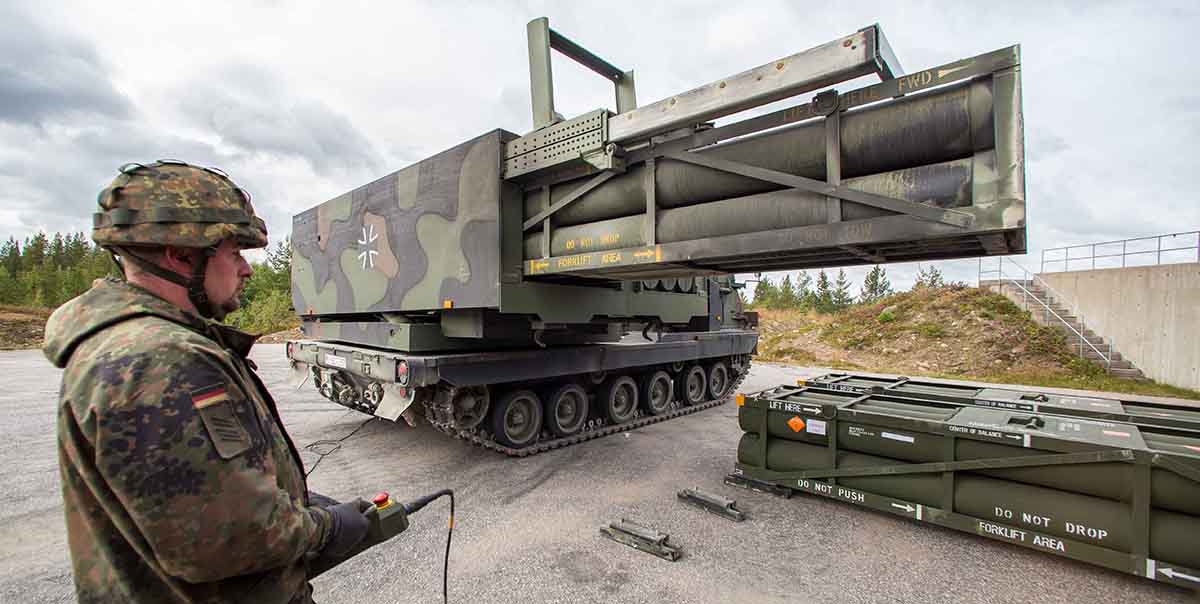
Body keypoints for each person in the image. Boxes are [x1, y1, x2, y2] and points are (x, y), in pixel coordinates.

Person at [44, 160, 370, 603]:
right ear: (182, 255)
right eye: (234, 253)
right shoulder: (160, 361)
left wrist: (293, 501)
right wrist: (328, 528)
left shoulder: (136, 346)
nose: (246, 270)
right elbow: (229, 539)